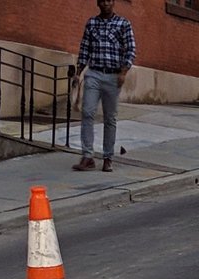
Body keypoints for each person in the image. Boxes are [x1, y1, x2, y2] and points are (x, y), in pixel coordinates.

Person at [72, 0, 136, 173]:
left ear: (113, 2)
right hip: (94, 73)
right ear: (98, 3)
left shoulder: (123, 23)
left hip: (113, 76)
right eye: (103, 1)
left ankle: (108, 157)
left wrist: (123, 72)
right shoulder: (91, 23)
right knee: (87, 112)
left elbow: (130, 49)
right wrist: (78, 73)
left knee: (110, 118)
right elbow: (84, 49)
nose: (106, 4)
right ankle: (87, 156)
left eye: (109, 0)